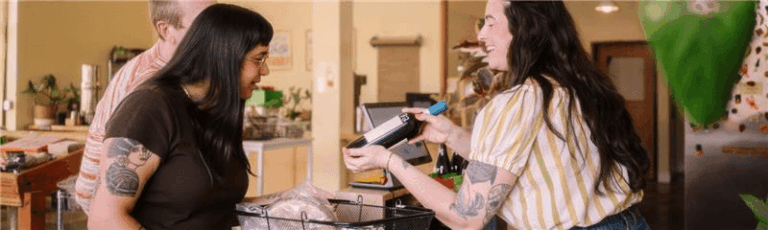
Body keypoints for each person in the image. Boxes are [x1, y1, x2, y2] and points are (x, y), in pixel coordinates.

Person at [343, 1, 651, 229]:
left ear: (525, 29)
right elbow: (521, 159)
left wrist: (388, 160)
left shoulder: (517, 101)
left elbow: (466, 218)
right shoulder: (576, 86)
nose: (481, 36)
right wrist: (451, 134)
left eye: (490, 23)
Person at [86, 4, 272, 229]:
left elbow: (212, 205)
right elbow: (105, 219)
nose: (265, 70)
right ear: (225, 56)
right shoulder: (150, 106)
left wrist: (291, 202)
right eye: (258, 59)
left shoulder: (215, 110)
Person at [75, 0, 213, 214]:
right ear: (166, 29)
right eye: (202, 24)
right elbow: (107, 206)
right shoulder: (149, 84)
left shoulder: (183, 72)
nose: (216, 31)